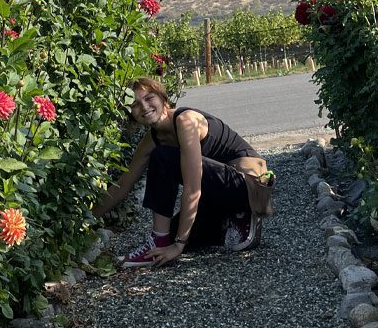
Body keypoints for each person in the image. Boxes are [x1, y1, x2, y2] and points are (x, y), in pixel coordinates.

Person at [93, 77, 268, 268]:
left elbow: (193, 188)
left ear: (163, 99)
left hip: (248, 185)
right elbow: (123, 185)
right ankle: (224, 220)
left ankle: (242, 211)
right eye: (135, 104)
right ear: (131, 114)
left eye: (149, 98)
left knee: (163, 157)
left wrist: (179, 245)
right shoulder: (151, 140)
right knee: (174, 232)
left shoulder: (186, 121)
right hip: (217, 192)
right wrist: (86, 217)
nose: (144, 107)